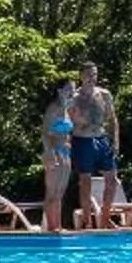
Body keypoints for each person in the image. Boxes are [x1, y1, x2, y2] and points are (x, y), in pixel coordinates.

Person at [67, 59, 120, 228]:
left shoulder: (104, 94)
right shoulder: (74, 98)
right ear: (81, 76)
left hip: (101, 138)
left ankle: (104, 220)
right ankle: (87, 222)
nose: (92, 78)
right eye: (89, 74)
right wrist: (65, 142)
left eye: (95, 74)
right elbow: (65, 121)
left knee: (112, 180)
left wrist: (115, 140)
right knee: (85, 182)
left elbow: (112, 119)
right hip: (82, 139)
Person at [42, 80, 78, 229]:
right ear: (59, 91)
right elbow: (45, 133)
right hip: (54, 152)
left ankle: (57, 225)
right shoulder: (53, 108)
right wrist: (49, 152)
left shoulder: (66, 110)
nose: (72, 92)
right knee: (52, 192)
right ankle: (51, 227)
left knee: (60, 193)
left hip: (65, 152)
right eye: (69, 89)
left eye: (73, 89)